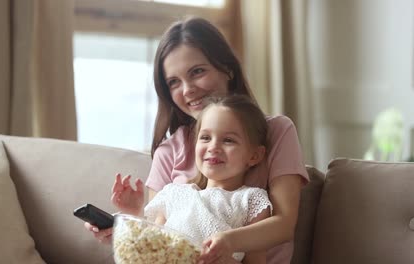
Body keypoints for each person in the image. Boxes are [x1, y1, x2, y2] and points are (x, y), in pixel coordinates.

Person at [85, 17, 309, 264]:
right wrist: (126, 224)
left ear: (228, 69)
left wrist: (228, 242)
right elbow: (159, 237)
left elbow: (284, 225)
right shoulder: (169, 154)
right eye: (174, 82)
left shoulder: (276, 131)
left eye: (197, 72)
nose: (188, 89)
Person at [112, 95, 272, 263]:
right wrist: (133, 213)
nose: (213, 147)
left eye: (228, 140)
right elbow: (152, 245)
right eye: (205, 138)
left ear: (254, 155)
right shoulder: (173, 193)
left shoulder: (252, 200)